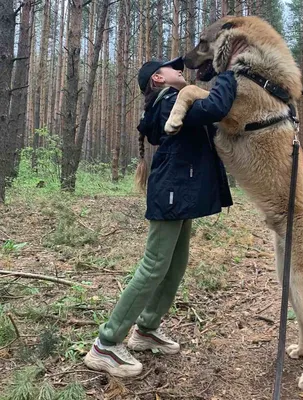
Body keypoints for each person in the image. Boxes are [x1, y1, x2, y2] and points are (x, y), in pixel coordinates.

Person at [84, 56, 237, 377]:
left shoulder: (171, 99)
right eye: (172, 67)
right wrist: (228, 73)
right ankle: (106, 343)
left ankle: (146, 329)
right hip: (171, 192)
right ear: (158, 79)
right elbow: (215, 109)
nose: (180, 69)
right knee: (154, 265)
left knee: (175, 265)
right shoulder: (170, 102)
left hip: (181, 193)